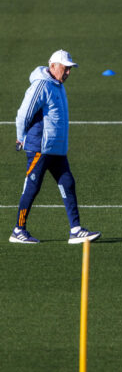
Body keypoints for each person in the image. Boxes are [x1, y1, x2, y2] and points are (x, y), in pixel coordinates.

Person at [9, 50, 101, 244]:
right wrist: (20, 138)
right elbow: (23, 114)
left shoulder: (58, 86)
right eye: (65, 68)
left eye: (69, 69)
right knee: (32, 188)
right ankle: (18, 230)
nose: (67, 72)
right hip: (40, 148)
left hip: (56, 149)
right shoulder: (41, 85)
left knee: (68, 183)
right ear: (52, 66)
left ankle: (75, 230)